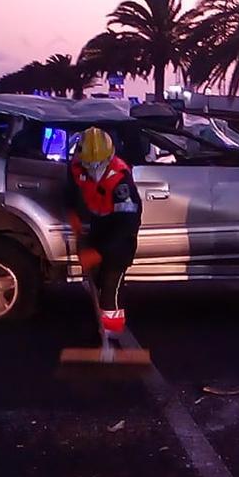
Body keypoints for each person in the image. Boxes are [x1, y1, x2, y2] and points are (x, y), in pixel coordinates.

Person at [65, 127, 142, 341]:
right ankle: (100, 330)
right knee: (96, 283)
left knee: (110, 288)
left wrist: (99, 252)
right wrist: (72, 212)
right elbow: (71, 191)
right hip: (98, 227)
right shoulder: (77, 167)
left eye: (98, 164)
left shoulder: (121, 182)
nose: (93, 169)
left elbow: (127, 225)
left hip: (119, 238)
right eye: (89, 163)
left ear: (109, 157)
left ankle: (112, 336)